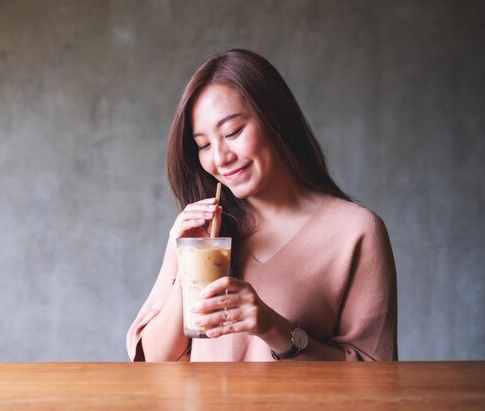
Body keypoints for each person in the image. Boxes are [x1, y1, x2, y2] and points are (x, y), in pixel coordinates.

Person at [127, 49, 397, 362]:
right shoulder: (201, 231)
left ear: (276, 120)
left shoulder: (357, 232)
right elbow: (152, 361)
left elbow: (375, 376)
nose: (220, 158)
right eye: (203, 145)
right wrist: (186, 262)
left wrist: (272, 326)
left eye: (233, 132)